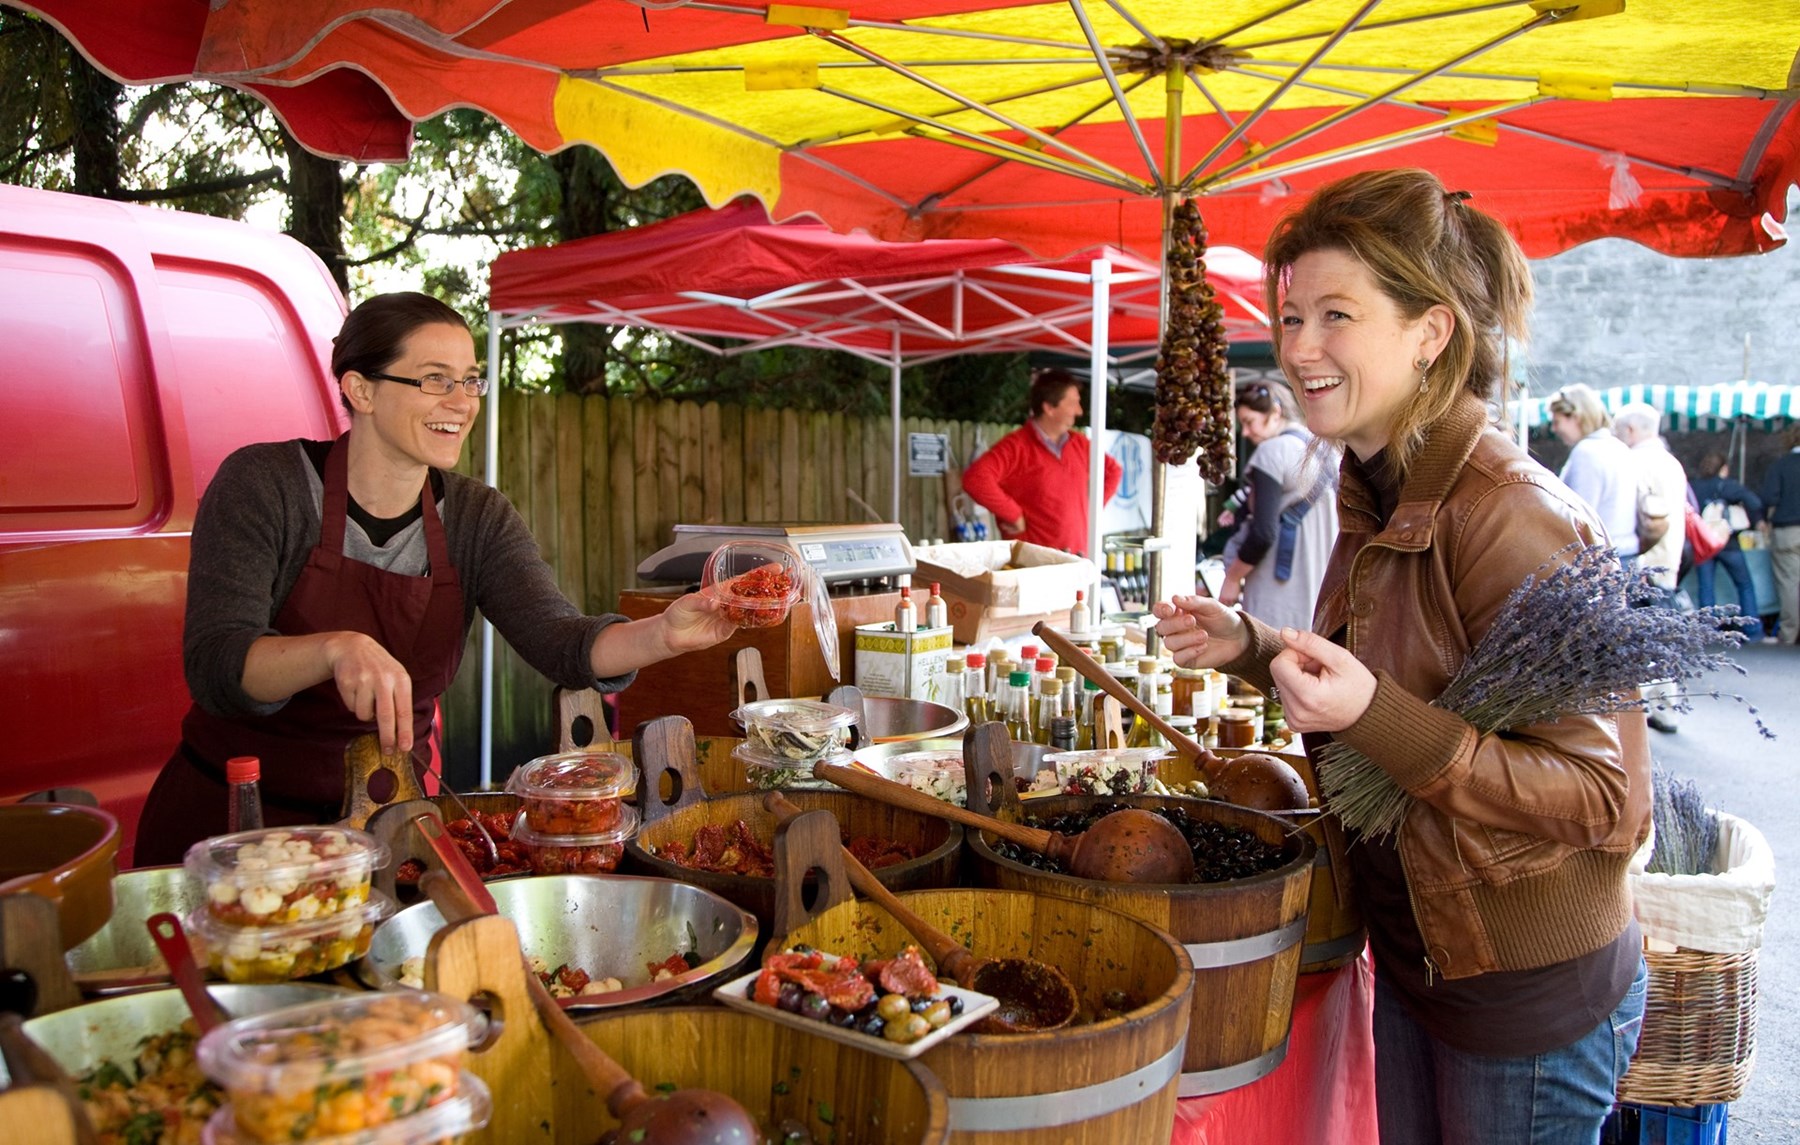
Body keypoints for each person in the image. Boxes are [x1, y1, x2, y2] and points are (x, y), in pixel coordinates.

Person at [1153, 169, 1649, 1143]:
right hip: (1421, 959)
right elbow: (1402, 674)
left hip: (1521, 994)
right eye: (1290, 317)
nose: (1299, 347)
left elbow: (1607, 798)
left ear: (1431, 333)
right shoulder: (1377, 486)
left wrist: (1372, 714)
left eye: (1337, 315)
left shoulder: (1508, 512)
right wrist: (1252, 645)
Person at [136, 293, 736, 864]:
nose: (462, 402)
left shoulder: (477, 516)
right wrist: (335, 650)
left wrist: (664, 634)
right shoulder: (266, 485)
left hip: (390, 827)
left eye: (470, 380)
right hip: (241, 829)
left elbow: (560, 642)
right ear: (361, 390)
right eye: (434, 380)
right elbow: (218, 663)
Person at [1216, 380, 1339, 632]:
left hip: (1279, 597)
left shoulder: (1272, 451)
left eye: (1249, 422)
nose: (1245, 433)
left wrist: (1232, 578)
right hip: (1323, 594)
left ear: (1275, 413)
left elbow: (1263, 533)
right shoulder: (1328, 450)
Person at [960, 368, 1122, 556]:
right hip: (1034, 563)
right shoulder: (1016, 446)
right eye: (1073, 403)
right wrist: (1013, 514)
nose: (1079, 411)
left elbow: (1113, 471)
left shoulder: (1080, 444)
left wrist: (1089, 510)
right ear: (1049, 408)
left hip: (1078, 559)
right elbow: (975, 479)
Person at [1613, 403, 1691, 732]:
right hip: (1668, 561)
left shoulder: (1634, 462)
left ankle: (1634, 713)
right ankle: (1666, 708)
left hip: (1644, 562)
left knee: (1637, 641)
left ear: (1631, 430)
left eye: (1618, 431)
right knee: (1660, 638)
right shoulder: (1671, 463)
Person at [1548, 384, 1640, 561]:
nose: (1554, 429)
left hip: (1601, 559)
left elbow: (1579, 519)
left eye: (1557, 422)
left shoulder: (1585, 452)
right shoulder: (1618, 447)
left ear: (1576, 417)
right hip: (1625, 555)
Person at [1691, 452, 1765, 641]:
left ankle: (1707, 632)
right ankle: (1752, 630)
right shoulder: (1729, 486)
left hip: (1703, 543)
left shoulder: (1694, 486)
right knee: (1744, 584)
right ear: (1723, 468)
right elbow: (1754, 502)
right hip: (1728, 543)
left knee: (1706, 587)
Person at [1761, 423, 1800, 644]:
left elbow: (1769, 497)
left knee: (1789, 584)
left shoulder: (1781, 465)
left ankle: (1789, 634)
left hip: (1788, 531)